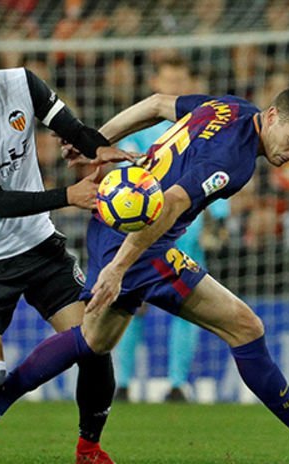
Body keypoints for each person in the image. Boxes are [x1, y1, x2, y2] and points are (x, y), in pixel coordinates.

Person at [0, 84, 289, 463]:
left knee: (93, 340)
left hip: (114, 216)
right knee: (245, 327)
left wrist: (96, 142)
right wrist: (119, 268)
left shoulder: (230, 107)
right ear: (272, 116)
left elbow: (156, 104)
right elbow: (171, 203)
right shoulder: (235, 160)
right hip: (142, 239)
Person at [0, 35, 134, 464]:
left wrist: (100, 149)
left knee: (94, 344)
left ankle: (88, 448)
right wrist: (68, 196)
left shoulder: (22, 84)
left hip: (38, 246)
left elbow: (72, 129)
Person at [112, 56, 227, 403]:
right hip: (144, 231)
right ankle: (122, 382)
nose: (175, 86)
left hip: (188, 235)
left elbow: (215, 178)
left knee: (187, 308)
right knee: (131, 304)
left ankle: (177, 383)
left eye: (180, 80)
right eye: (169, 80)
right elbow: (123, 179)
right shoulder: (138, 132)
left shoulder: (203, 129)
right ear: (155, 84)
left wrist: (219, 220)